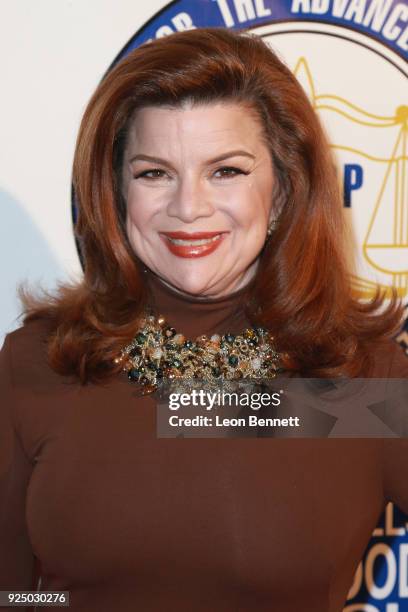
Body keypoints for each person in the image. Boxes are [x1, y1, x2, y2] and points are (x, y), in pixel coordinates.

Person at [0, 27, 407, 612]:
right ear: (116, 192)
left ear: (284, 189)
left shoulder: (358, 377)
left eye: (227, 171)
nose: (188, 207)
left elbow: (208, 414)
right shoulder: (40, 361)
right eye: (154, 173)